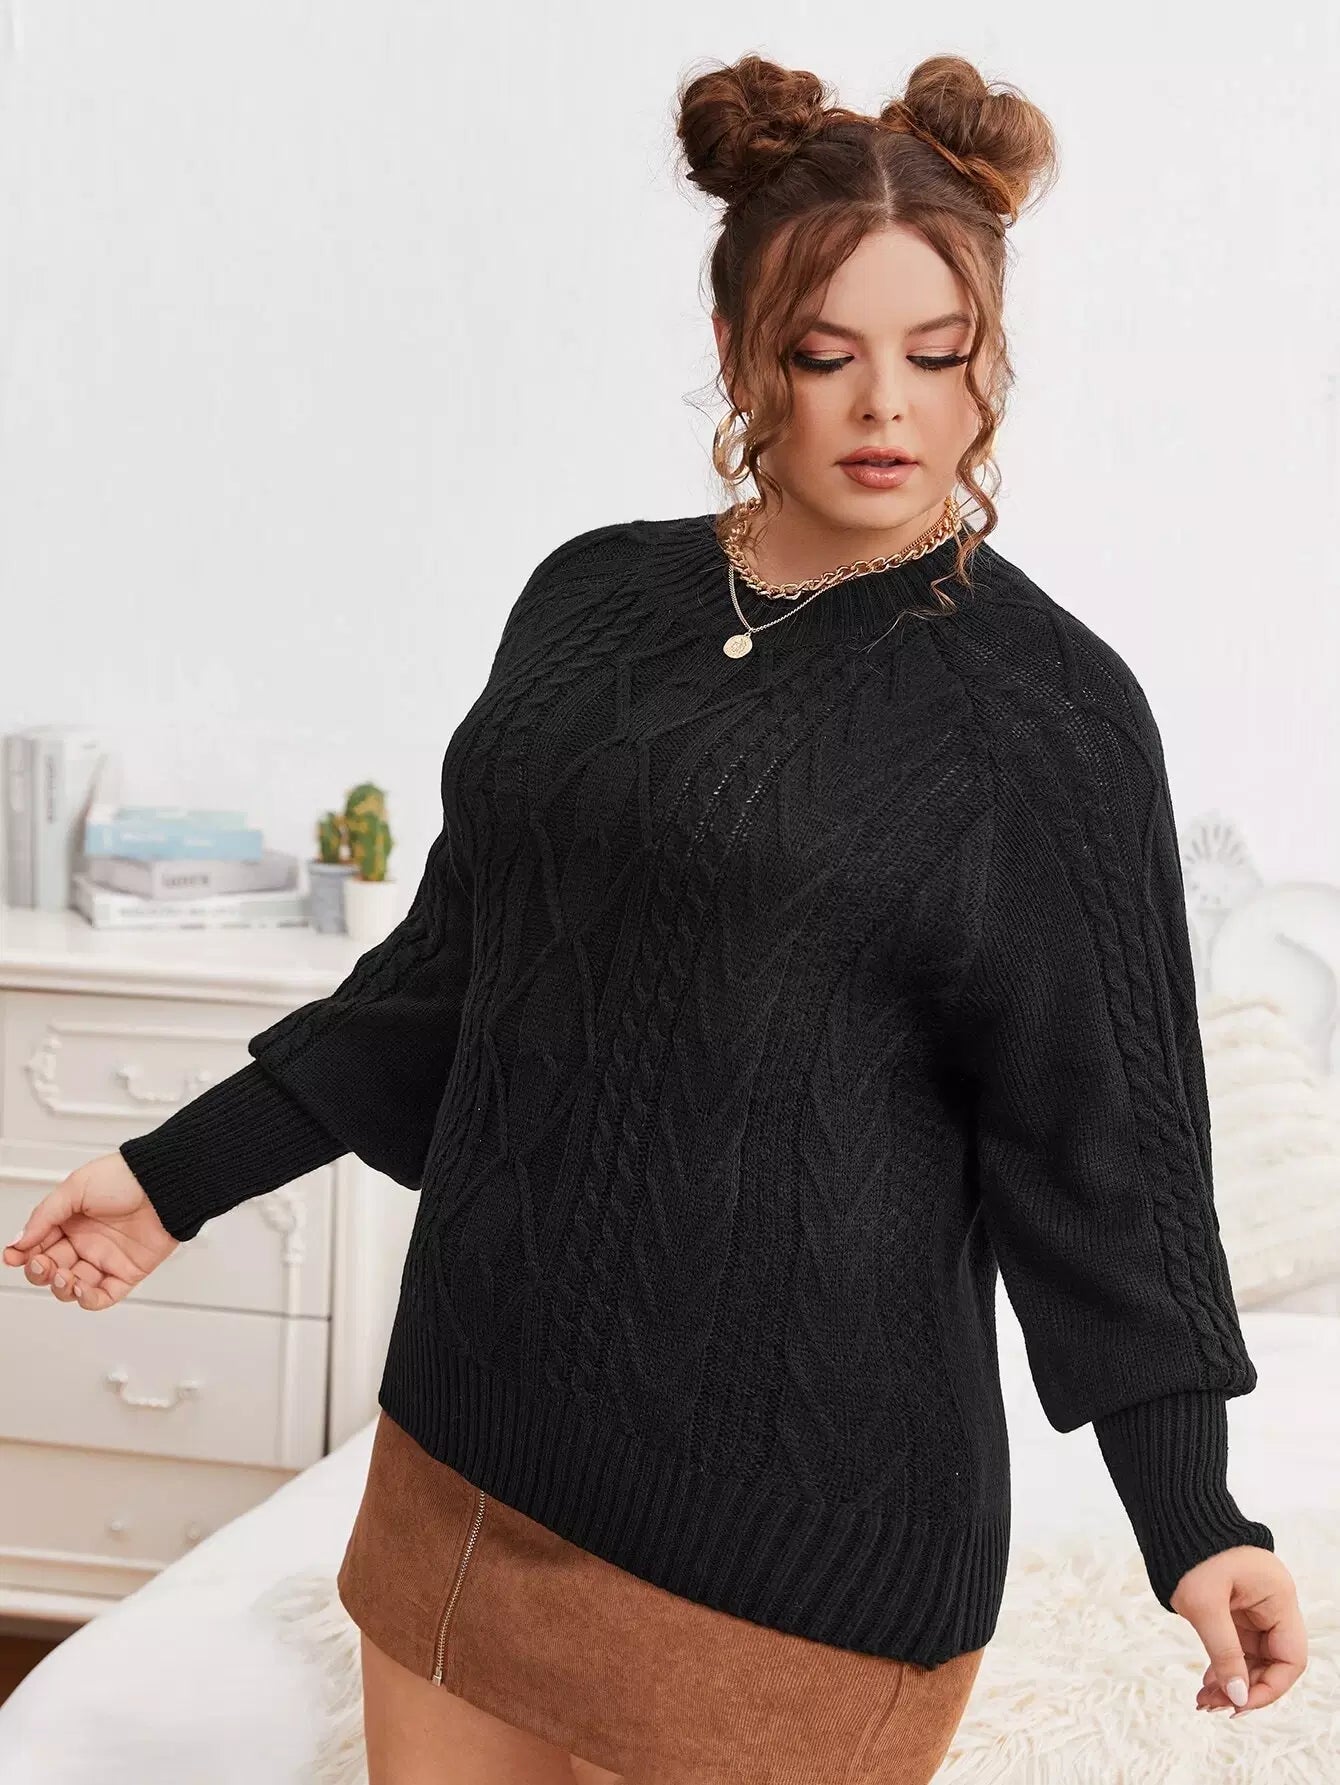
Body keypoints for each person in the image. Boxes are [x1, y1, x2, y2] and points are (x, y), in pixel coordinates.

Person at [4, 48, 1308, 1785]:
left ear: (994, 360)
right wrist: (179, 1173)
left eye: (940, 356)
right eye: (826, 354)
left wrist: (1190, 1509)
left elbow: (1107, 1148)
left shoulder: (1047, 716)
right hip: (476, 1440)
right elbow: (449, 979)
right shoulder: (589, 603)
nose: (888, 408)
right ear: (737, 350)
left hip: (797, 1537)